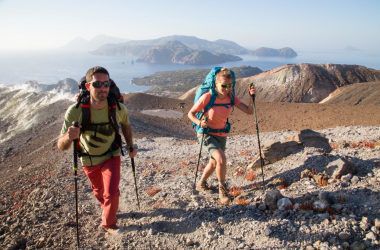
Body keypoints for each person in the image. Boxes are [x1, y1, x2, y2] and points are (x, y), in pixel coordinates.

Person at [57, 66, 137, 234]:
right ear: (88, 86)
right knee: (99, 192)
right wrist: (68, 137)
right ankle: (109, 206)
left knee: (111, 192)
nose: (103, 88)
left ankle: (109, 223)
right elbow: (61, 146)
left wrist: (130, 145)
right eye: (97, 84)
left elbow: (126, 127)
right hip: (89, 159)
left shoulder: (118, 108)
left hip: (111, 155)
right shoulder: (76, 111)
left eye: (106, 84)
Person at [188, 67, 255, 205]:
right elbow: (191, 114)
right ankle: (222, 191)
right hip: (206, 133)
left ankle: (201, 183)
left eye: (230, 86)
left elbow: (249, 111)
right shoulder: (207, 97)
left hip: (221, 134)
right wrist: (200, 122)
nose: (227, 88)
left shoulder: (231, 98)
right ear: (216, 84)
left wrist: (251, 97)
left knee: (214, 162)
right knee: (221, 159)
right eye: (223, 86)